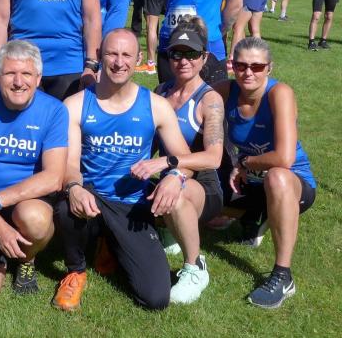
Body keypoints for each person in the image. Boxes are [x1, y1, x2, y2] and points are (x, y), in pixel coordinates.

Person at [52, 29, 200, 311]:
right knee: (65, 206)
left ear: (139, 59)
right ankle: (75, 271)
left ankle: (111, 243)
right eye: (112, 54)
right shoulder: (75, 104)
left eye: (126, 55)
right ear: (99, 56)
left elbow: (185, 159)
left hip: (132, 206)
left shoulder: (156, 106)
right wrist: (74, 188)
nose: (119, 62)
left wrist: (175, 176)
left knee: (155, 298)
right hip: (92, 198)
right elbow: (69, 165)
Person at [0, 40, 67, 296]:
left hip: (24, 203)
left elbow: (54, 177)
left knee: (35, 220)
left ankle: (26, 259)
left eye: (26, 73)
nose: (18, 82)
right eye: (10, 73)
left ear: (38, 78)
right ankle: (2, 244)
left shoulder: (54, 110)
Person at [214, 37, 316, 309]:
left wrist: (245, 163)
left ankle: (283, 276)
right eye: (241, 65)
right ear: (232, 66)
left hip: (292, 184)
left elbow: (284, 158)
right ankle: (254, 219)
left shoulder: (279, 93)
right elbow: (193, 106)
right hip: (250, 181)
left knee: (276, 176)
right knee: (207, 196)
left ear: (269, 68)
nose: (248, 72)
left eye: (257, 67)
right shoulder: (225, 90)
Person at [151, 17, 224, 303]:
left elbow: (214, 158)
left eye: (192, 54)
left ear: (204, 57)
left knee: (176, 193)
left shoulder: (210, 100)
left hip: (203, 186)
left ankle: (195, 267)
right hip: (167, 178)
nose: (184, 61)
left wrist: (167, 164)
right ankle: (172, 233)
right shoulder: (161, 92)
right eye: (176, 54)